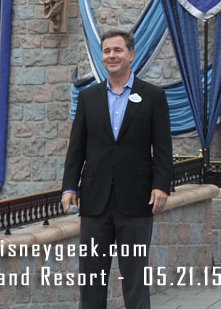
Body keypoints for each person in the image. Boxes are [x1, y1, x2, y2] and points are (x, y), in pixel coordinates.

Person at [62, 30, 172, 309]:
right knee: (91, 277)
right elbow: (77, 147)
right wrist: (69, 186)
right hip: (95, 200)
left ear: (131, 55)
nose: (112, 56)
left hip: (136, 200)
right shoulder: (89, 98)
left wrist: (161, 185)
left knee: (135, 277)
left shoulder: (153, 96)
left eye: (118, 50)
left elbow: (162, 148)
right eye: (107, 51)